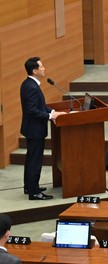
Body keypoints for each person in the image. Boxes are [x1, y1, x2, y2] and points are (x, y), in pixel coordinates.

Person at [20, 57, 66, 200]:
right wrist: (50, 116)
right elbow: (32, 110)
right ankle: (34, 192)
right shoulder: (31, 87)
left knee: (31, 158)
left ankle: (30, 186)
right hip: (35, 130)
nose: (44, 68)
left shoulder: (29, 84)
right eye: (41, 66)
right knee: (35, 160)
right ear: (35, 71)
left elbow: (39, 106)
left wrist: (53, 112)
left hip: (32, 128)